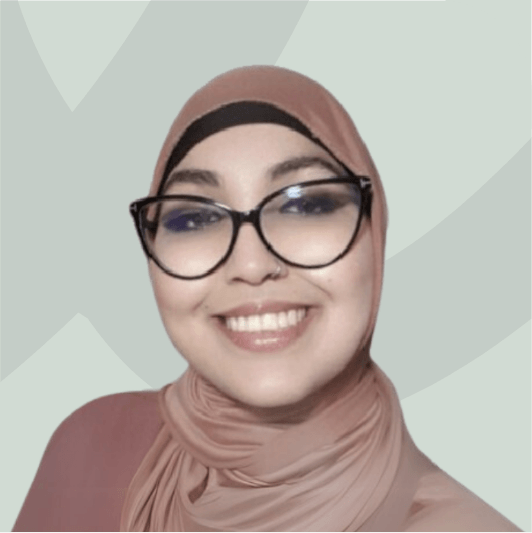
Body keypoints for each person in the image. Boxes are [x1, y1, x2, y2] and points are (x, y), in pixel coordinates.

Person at [13, 66, 520, 532]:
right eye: (194, 217)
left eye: (306, 205)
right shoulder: (94, 451)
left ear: (375, 231)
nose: (252, 265)